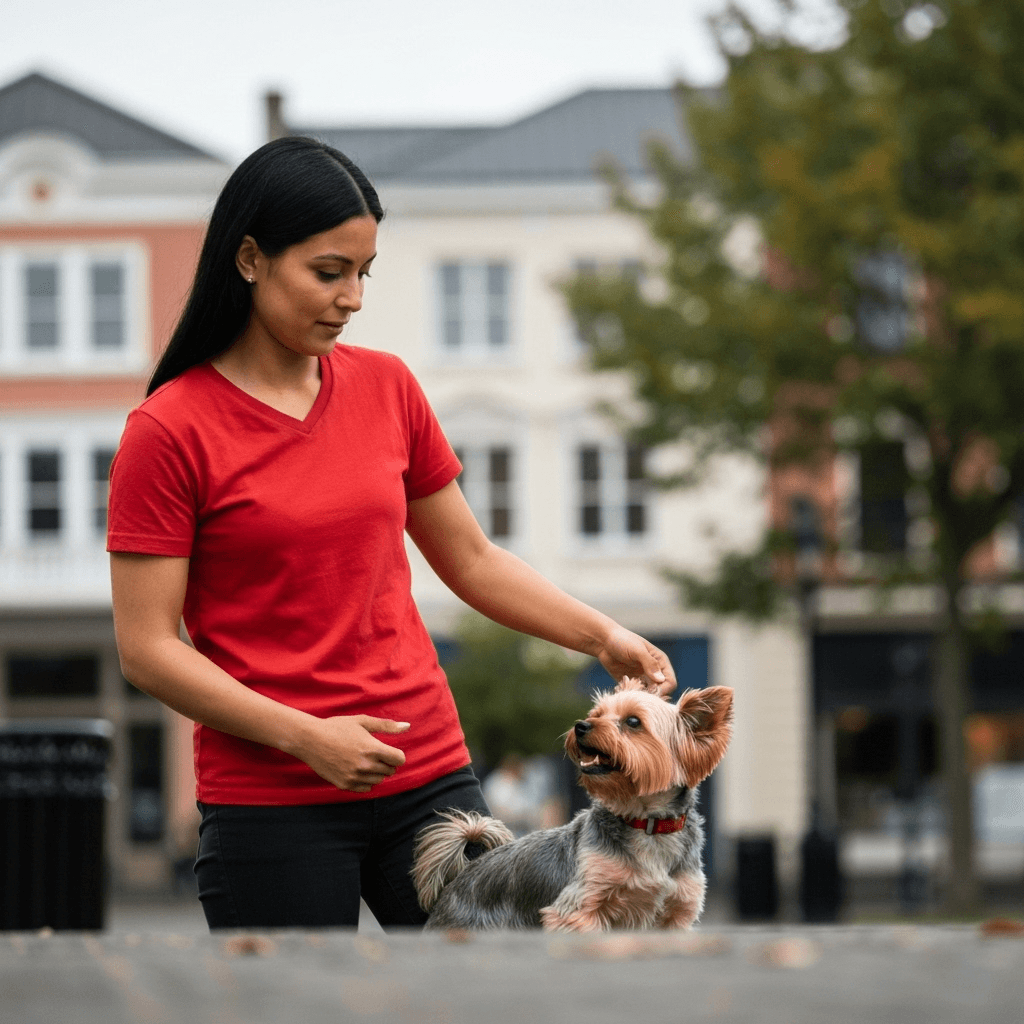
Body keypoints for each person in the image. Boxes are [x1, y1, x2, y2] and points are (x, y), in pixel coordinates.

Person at [107, 136, 677, 930]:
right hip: (273, 800)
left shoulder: (387, 387)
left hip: (429, 777)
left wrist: (603, 635)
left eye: (363, 273)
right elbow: (147, 649)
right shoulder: (168, 431)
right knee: (296, 997)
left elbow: (471, 559)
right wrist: (308, 738)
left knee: (491, 987)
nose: (352, 298)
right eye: (328, 272)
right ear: (249, 259)